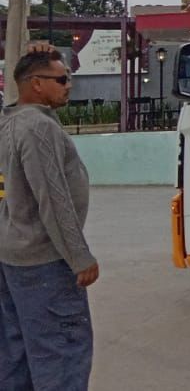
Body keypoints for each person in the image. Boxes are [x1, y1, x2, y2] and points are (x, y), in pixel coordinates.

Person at [0, 47, 96, 391]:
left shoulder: (9, 122)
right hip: (44, 263)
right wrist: (79, 256)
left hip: (13, 258)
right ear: (36, 84)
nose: (68, 85)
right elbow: (53, 201)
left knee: (16, 354)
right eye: (61, 79)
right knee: (62, 354)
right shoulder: (38, 128)